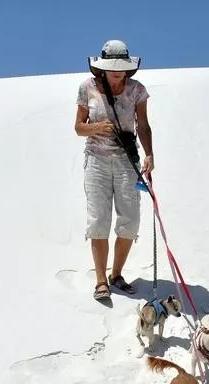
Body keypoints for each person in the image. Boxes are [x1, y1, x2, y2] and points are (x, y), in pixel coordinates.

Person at [75, 39, 154, 302]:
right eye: (113, 69)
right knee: (99, 219)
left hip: (126, 160)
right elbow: (78, 127)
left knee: (130, 219)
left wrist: (150, 154)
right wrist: (97, 128)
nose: (118, 73)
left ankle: (116, 274)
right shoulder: (87, 88)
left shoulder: (137, 90)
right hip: (96, 160)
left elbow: (143, 125)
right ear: (103, 69)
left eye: (121, 69)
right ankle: (100, 281)